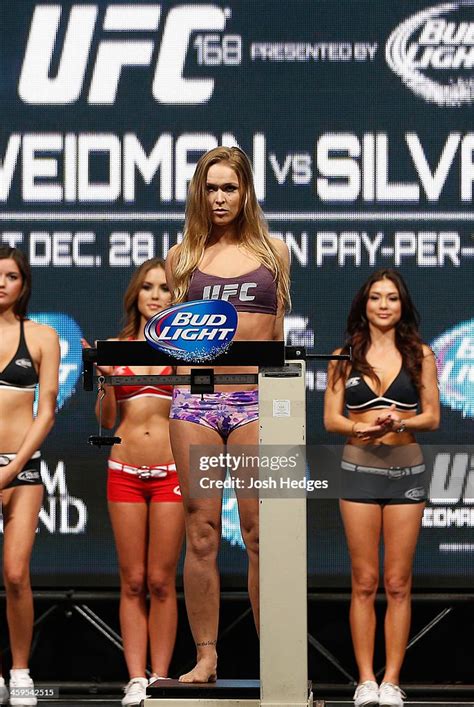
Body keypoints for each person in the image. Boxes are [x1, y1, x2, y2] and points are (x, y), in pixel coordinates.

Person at [165, 145, 290, 683]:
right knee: (201, 530)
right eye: (210, 188)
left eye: (229, 188)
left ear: (246, 193)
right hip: (196, 399)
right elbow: (174, 340)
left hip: (252, 399)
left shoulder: (274, 252)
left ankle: (277, 658)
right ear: (200, 192)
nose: (219, 198)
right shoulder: (182, 257)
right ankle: (207, 658)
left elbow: (279, 337)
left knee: (262, 529)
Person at [324, 269, 440, 707]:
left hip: (406, 470)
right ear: (364, 305)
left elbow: (431, 416)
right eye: (376, 297)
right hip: (358, 469)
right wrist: (361, 425)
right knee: (365, 580)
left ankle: (392, 680)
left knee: (397, 581)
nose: (384, 305)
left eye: (392, 297)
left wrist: (399, 421)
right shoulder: (344, 356)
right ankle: (365, 680)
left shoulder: (421, 355)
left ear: (402, 305)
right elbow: (331, 419)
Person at [83, 258, 184, 707]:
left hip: (171, 473)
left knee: (162, 580)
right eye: (148, 288)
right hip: (124, 470)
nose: (156, 295)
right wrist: (105, 382)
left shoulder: (187, 351)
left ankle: (161, 678)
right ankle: (135, 678)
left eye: (164, 288)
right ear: (136, 296)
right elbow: (107, 422)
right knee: (133, 580)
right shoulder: (116, 347)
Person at [0, 246, 60, 706]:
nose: (2, 283)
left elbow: (47, 411)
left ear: (24, 284)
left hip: (22, 469)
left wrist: (15, 466)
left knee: (17, 573)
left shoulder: (40, 336)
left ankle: (20, 672)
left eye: (11, 276)